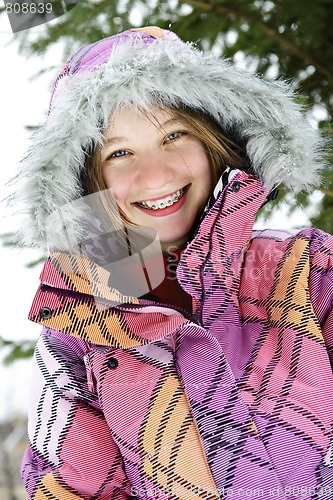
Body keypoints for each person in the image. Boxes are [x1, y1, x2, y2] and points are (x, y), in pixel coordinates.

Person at [11, 26, 333, 499]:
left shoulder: (307, 271)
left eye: (174, 135)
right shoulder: (80, 335)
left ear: (213, 140)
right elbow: (67, 484)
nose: (156, 174)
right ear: (86, 180)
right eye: (120, 152)